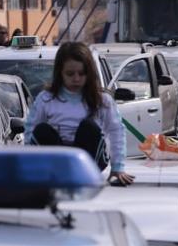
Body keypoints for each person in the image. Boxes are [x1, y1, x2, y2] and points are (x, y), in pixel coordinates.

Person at [24, 42, 134, 185]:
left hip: (90, 159)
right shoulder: (46, 98)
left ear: (89, 73)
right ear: (60, 73)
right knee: (42, 130)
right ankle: (55, 171)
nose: (76, 79)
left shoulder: (103, 100)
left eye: (81, 74)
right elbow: (30, 130)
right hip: (57, 158)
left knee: (89, 127)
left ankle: (82, 171)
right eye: (70, 74)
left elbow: (116, 131)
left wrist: (117, 168)